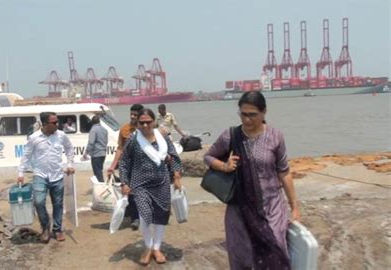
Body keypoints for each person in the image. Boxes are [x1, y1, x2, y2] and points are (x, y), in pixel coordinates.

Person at [204, 91, 300, 269]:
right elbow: (208, 157)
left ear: (264, 112)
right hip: (240, 210)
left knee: (276, 250)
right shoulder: (231, 136)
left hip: (272, 209)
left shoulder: (275, 137)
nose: (247, 120)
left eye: (252, 115)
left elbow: (284, 172)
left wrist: (294, 207)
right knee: (243, 255)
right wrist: (224, 166)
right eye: (243, 114)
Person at [119, 108, 183, 266]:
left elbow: (174, 156)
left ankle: (157, 247)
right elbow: (124, 162)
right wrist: (125, 182)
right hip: (140, 184)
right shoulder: (133, 140)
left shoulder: (163, 138)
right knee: (145, 216)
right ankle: (148, 247)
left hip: (161, 183)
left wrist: (176, 176)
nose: (146, 125)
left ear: (154, 122)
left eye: (149, 122)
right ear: (138, 123)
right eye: (142, 122)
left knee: (161, 215)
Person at [17, 112, 75, 243]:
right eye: (54, 123)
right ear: (44, 124)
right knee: (38, 202)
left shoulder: (61, 135)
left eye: (57, 122)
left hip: (57, 175)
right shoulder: (34, 138)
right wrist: (21, 173)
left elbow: (69, 149)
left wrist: (70, 164)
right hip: (40, 175)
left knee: (58, 204)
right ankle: (45, 227)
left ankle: (57, 229)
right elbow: (26, 156)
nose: (57, 124)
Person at [107, 103, 144, 230]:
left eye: (136, 115)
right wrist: (112, 165)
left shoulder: (147, 129)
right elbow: (120, 149)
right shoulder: (124, 130)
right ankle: (135, 218)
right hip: (128, 167)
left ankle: (142, 214)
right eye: (131, 114)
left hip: (144, 167)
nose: (133, 117)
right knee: (130, 192)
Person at [83, 114, 108, 182]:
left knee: (97, 173)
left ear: (92, 122)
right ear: (99, 121)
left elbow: (91, 142)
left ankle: (101, 187)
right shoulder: (105, 130)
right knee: (100, 171)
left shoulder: (93, 130)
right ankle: (101, 186)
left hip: (96, 154)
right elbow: (106, 141)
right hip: (103, 153)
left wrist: (86, 153)